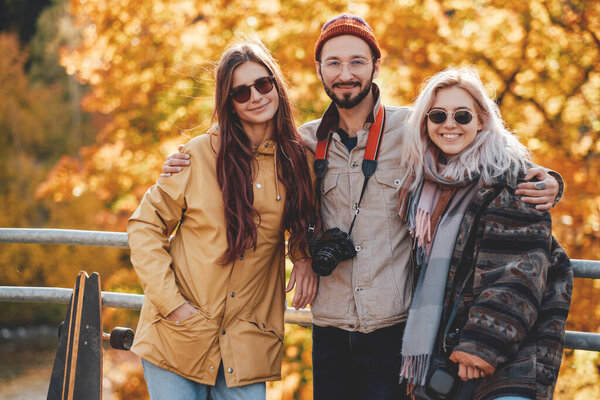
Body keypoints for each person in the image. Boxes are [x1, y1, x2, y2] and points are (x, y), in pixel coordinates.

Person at [160, 15, 562, 400]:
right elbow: (245, 148)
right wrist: (187, 158)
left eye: (356, 61)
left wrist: (546, 179)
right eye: (333, 62)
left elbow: (480, 149)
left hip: (393, 328)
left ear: (375, 65)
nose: (345, 73)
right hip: (329, 328)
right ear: (319, 69)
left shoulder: (414, 130)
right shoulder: (301, 143)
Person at [127, 40, 317, 400]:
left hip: (246, 346)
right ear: (228, 103)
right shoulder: (197, 155)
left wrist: (303, 256)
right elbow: (144, 226)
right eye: (241, 92)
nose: (256, 97)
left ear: (276, 85)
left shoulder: (297, 161)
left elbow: (307, 217)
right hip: (177, 337)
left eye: (263, 84)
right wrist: (174, 306)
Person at [397, 67, 572, 400]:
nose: (449, 124)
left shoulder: (509, 178)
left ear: (481, 121)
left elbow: (520, 271)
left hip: (506, 357)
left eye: (462, 115)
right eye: (438, 115)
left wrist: (481, 346)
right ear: (425, 123)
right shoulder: (422, 185)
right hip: (448, 356)